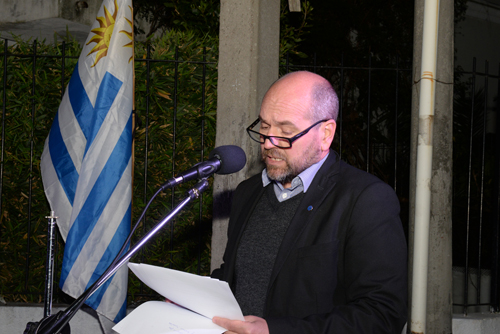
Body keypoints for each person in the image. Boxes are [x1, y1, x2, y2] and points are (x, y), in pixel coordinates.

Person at [211, 71, 407, 334]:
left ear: (326, 134)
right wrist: (193, 296)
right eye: (265, 126)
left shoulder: (367, 199)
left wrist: (274, 331)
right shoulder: (248, 191)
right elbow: (237, 277)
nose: (269, 143)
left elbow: (382, 315)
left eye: (286, 131)